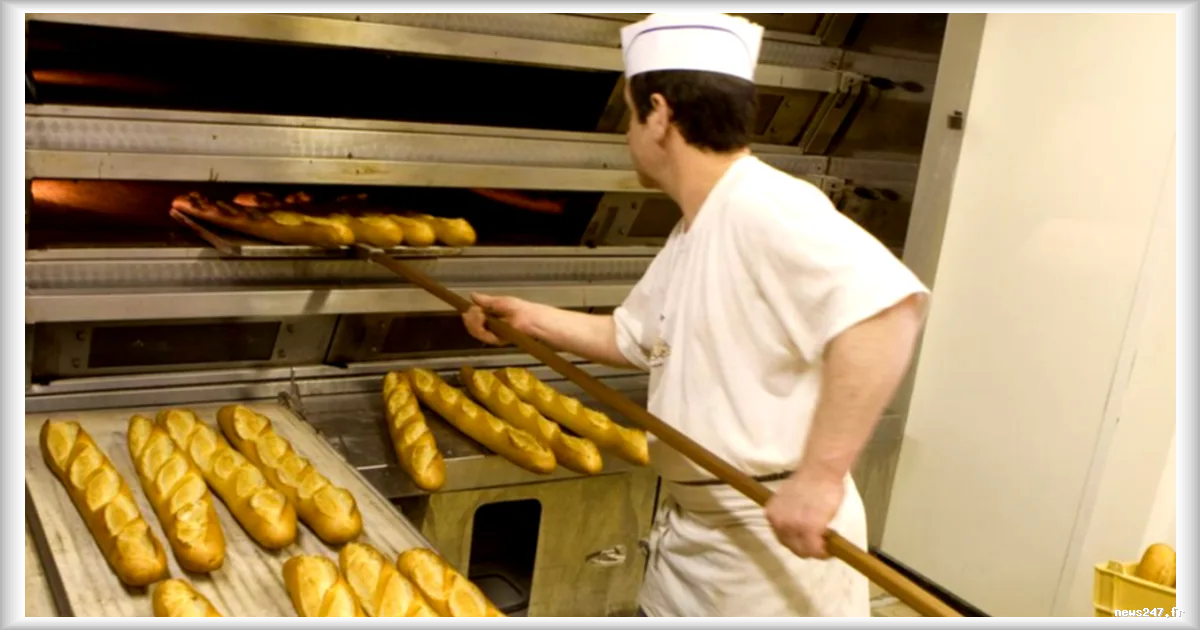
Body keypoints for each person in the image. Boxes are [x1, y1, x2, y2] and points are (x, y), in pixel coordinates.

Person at [462, 13, 930, 617]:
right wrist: (526, 318)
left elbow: (885, 313)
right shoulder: (698, 225)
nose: (627, 134)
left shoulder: (763, 205)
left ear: (659, 114)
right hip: (697, 539)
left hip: (767, 551)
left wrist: (819, 478)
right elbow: (634, 338)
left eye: (630, 115)